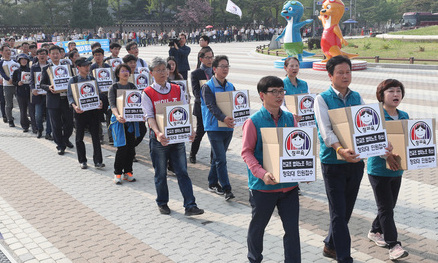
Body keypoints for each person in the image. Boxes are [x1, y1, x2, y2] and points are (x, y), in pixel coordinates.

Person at [314, 55, 367, 263]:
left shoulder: (357, 97)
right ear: (330, 75)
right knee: (338, 211)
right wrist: (340, 149)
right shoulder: (322, 99)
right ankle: (344, 257)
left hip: (355, 162)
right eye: (340, 73)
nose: (345, 76)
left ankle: (330, 244)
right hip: (333, 162)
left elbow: (365, 126)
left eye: (348, 72)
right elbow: (325, 131)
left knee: (346, 210)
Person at [242, 76, 300, 263]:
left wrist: (304, 169)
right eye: (273, 91)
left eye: (281, 91)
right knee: (258, 228)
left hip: (289, 188)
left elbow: (298, 148)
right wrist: (262, 173)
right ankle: (254, 258)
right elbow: (247, 152)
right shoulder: (254, 121)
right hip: (263, 188)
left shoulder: (291, 119)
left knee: (292, 230)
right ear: (262, 95)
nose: (279, 95)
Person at [141, 57, 204, 216]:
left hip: (177, 139)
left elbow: (184, 111)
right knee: (160, 173)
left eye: (165, 69)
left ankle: (190, 205)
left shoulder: (177, 89)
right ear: (151, 73)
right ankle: (162, 202)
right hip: (159, 140)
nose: (163, 72)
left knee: (182, 172)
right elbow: (149, 117)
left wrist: (191, 129)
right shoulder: (147, 93)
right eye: (159, 70)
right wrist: (158, 132)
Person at [367, 79, 409, 260]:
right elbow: (372, 142)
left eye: (398, 91)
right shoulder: (375, 116)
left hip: (396, 170)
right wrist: (388, 157)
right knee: (386, 208)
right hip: (378, 170)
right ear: (381, 95)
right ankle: (394, 245)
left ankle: (375, 230)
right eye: (390, 91)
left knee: (389, 206)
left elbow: (408, 141)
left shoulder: (404, 115)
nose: (395, 94)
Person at [201, 55, 235, 200]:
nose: (225, 69)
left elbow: (237, 105)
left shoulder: (230, 86)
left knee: (217, 158)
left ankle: (212, 183)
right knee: (221, 159)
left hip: (228, 128)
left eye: (227, 66)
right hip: (214, 128)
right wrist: (223, 118)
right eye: (222, 66)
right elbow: (211, 106)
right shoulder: (207, 87)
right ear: (214, 69)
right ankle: (227, 189)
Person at [67, 57, 105, 169]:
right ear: (78, 67)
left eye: (88, 65)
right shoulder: (73, 80)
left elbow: (98, 94)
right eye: (84, 66)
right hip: (80, 112)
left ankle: (98, 161)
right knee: (79, 137)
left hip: (93, 112)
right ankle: (82, 160)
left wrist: (101, 102)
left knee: (96, 137)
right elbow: (70, 96)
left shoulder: (93, 79)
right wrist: (74, 106)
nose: (87, 68)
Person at [108, 63, 139, 184]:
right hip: (119, 122)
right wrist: (117, 115)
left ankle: (128, 172)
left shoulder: (132, 86)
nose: (125, 72)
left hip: (131, 122)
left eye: (127, 70)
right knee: (122, 148)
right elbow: (112, 104)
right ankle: (117, 173)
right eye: (122, 71)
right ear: (117, 73)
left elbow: (138, 102)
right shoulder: (114, 87)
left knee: (131, 148)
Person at [40, 45, 74, 155]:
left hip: (66, 100)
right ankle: (60, 145)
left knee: (69, 123)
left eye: (57, 53)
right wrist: (49, 88)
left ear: (61, 54)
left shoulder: (67, 67)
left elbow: (72, 81)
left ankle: (65, 138)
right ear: (49, 55)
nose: (55, 55)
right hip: (53, 101)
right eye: (53, 53)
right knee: (56, 124)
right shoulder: (46, 68)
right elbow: (42, 84)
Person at [189, 47, 214, 164]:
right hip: (202, 109)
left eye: (211, 57)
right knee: (200, 132)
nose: (210, 60)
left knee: (215, 134)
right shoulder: (196, 73)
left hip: (215, 109)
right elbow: (195, 92)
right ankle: (192, 154)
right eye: (207, 57)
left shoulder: (215, 72)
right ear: (201, 59)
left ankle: (213, 158)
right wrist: (205, 103)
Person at [90, 47, 112, 144]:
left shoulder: (108, 67)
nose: (98, 57)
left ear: (103, 56)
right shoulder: (91, 67)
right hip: (97, 95)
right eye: (96, 55)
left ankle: (111, 137)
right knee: (97, 117)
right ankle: (100, 136)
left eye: (100, 55)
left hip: (107, 94)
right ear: (93, 56)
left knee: (109, 115)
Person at [30, 48, 52, 139]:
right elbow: (31, 80)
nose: (42, 56)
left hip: (49, 94)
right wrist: (32, 89)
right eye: (40, 54)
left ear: (47, 55)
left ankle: (48, 133)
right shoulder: (34, 67)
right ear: (37, 56)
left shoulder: (50, 66)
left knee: (49, 115)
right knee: (38, 115)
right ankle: (39, 129)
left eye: (44, 54)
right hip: (38, 94)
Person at [11, 54, 31, 132]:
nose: (23, 61)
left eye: (25, 59)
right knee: (23, 110)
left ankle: (34, 126)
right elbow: (13, 81)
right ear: (19, 61)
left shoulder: (30, 70)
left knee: (32, 110)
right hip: (20, 93)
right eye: (22, 59)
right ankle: (25, 126)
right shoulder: (16, 71)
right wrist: (17, 83)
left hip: (30, 92)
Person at [0, 45, 18, 127]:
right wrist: (8, 79)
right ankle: (10, 119)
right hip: (7, 86)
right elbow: (2, 73)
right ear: (2, 52)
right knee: (9, 104)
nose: (8, 52)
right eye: (6, 50)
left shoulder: (15, 62)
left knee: (21, 103)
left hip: (16, 85)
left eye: (9, 50)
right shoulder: (1, 62)